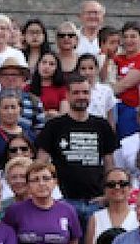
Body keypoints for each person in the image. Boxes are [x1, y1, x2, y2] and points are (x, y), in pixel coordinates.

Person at [35, 74, 119, 212]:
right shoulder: (54, 126)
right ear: (67, 95)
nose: (81, 96)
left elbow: (109, 164)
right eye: (76, 92)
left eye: (85, 92)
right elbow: (40, 163)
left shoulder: (102, 125)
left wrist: (107, 194)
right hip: (63, 201)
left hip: (96, 201)